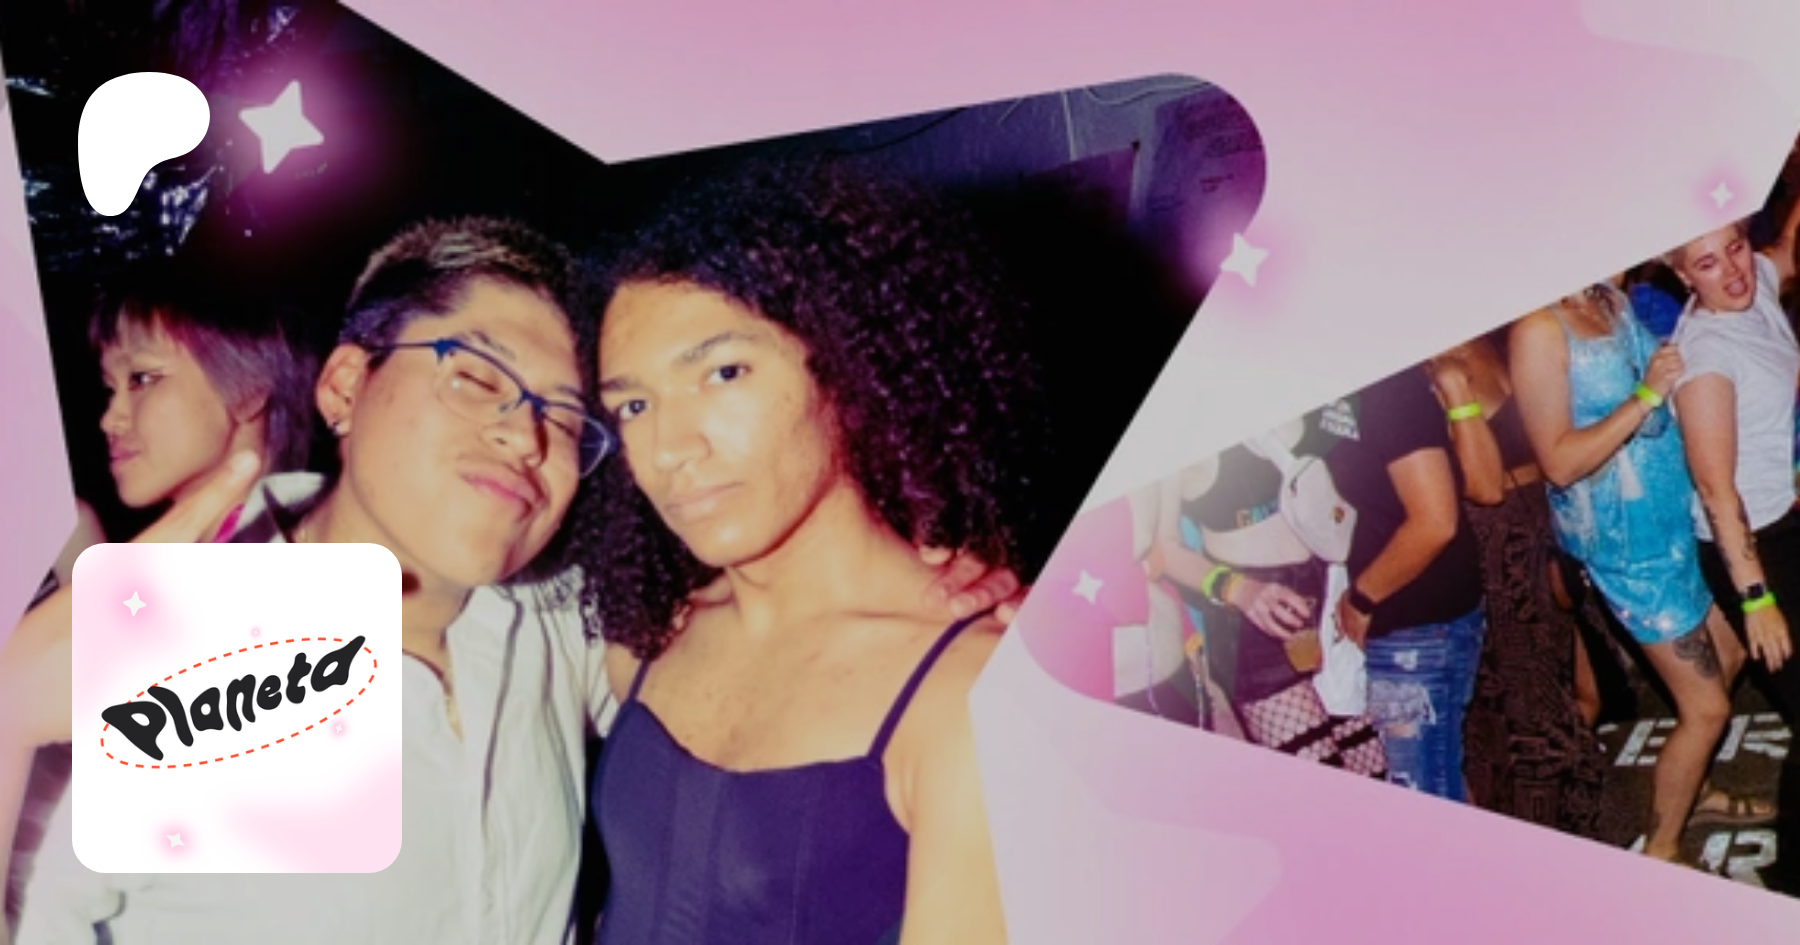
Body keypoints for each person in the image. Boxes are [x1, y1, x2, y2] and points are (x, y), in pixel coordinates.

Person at [1, 218, 1019, 945]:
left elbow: (755, 649)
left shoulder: (554, 621)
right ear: (347, 384)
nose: (522, 436)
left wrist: (939, 590)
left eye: (567, 416)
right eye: (474, 374)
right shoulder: (149, 660)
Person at [575, 160, 1033, 945]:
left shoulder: (970, 693)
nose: (668, 448)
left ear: (847, 368)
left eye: (723, 372)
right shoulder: (648, 634)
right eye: (635, 405)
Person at [2, 259, 317, 936]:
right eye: (109, 386)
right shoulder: (171, 569)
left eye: (143, 378)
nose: (110, 417)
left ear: (251, 390)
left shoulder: (278, 586)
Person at [1509, 281, 1759, 865]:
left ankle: (1692, 789)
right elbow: (1559, 462)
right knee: (1708, 710)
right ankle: (1662, 852)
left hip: (1676, 521)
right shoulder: (1539, 328)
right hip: (1628, 547)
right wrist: (1646, 395)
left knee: (1730, 653)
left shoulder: (1608, 298)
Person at [1425, 333, 1608, 836]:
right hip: (1498, 547)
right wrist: (1457, 392)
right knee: (1530, 717)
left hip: (1550, 521)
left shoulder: (1499, 336)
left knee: (1586, 692)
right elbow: (1482, 486)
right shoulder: (1431, 366)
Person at [1665, 212, 1800, 892]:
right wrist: (1757, 598)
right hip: (1750, 547)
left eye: (1735, 247)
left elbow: (1788, 250)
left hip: (1785, 523)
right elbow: (1717, 492)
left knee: (1715, 695)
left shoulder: (1757, 287)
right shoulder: (1706, 353)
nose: (1734, 270)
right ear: (1682, 275)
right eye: (1707, 262)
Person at [1142, 418, 1386, 776]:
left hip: (1330, 598)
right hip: (1252, 619)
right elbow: (1162, 548)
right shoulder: (1176, 424)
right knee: (1323, 788)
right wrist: (1239, 589)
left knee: (1374, 775)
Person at [1317, 367, 1487, 802]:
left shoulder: (1388, 387)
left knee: (1420, 791)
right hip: (1401, 618)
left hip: (1418, 623)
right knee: (1434, 776)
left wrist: (1361, 598)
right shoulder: (1340, 384)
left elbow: (1435, 521)